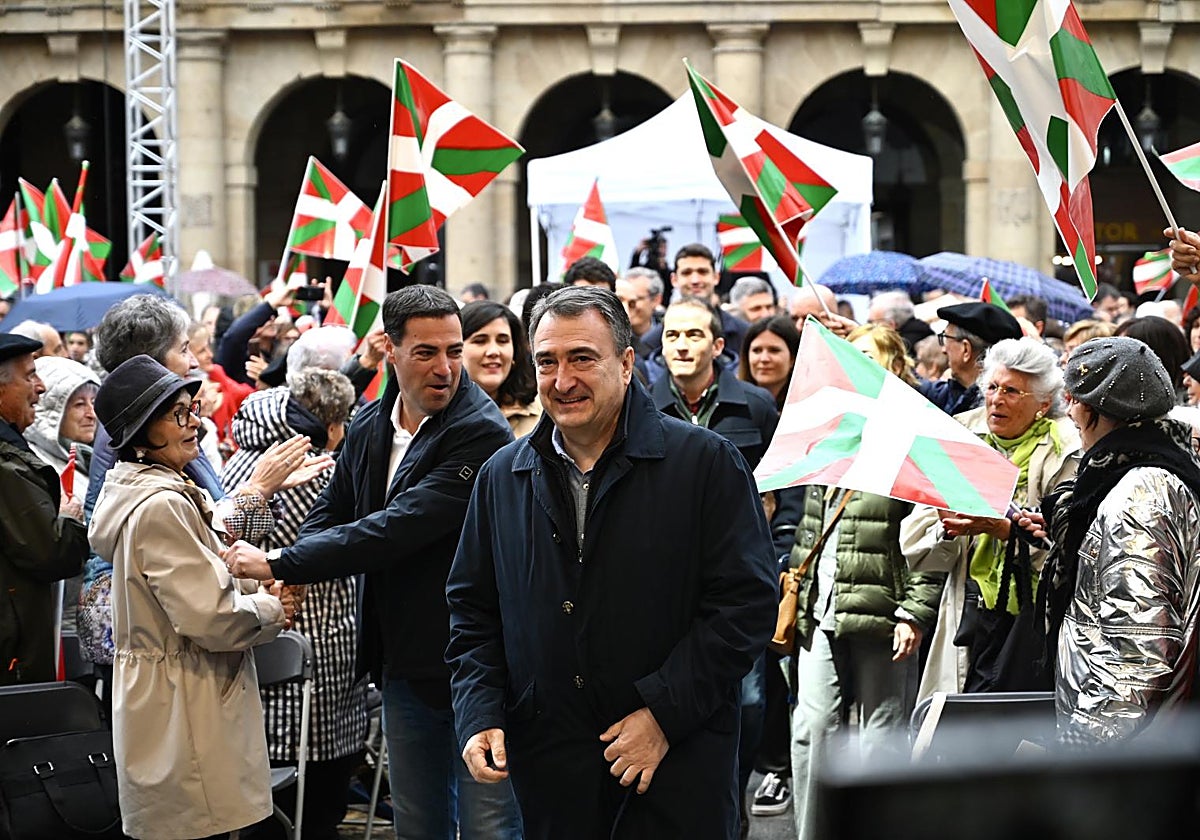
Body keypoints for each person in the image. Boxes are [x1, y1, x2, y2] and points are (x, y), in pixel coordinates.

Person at [446, 285, 777, 839]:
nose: (562, 380)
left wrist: (664, 714)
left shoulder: (704, 463)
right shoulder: (501, 477)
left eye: (582, 358)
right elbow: (472, 612)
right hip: (553, 768)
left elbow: (745, 606)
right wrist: (480, 711)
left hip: (676, 765)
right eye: (547, 361)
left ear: (625, 364)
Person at [224, 285, 522, 840]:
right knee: (419, 821)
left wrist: (279, 560)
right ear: (390, 349)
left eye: (454, 351)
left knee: (490, 828)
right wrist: (294, 573)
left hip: (480, 661)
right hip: (405, 660)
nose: (446, 368)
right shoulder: (369, 423)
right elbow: (332, 509)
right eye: (426, 352)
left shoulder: (480, 432)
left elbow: (394, 529)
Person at [88, 355, 293, 839]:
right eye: (177, 414)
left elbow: (212, 554)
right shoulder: (158, 502)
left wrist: (257, 515)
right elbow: (211, 618)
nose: (195, 423)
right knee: (199, 825)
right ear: (141, 433)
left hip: (179, 696)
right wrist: (272, 608)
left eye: (192, 408)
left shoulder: (161, 487)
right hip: (184, 703)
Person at [651, 296, 801, 834]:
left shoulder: (756, 406)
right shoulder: (642, 404)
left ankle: (730, 800)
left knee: (753, 701)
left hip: (743, 580)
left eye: (693, 335)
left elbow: (791, 485)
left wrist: (780, 548)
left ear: (717, 345)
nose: (682, 345)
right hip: (671, 583)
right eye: (672, 336)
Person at [1029, 335, 1200, 744]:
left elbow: (1140, 649)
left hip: (1128, 752)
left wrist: (1085, 748)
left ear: (1090, 409)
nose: (1067, 410)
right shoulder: (1133, 473)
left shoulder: (1141, 493)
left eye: (1072, 399)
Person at [222, 368, 363, 840]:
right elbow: (339, 542)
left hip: (256, 641)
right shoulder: (308, 464)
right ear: (333, 422)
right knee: (313, 789)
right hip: (314, 637)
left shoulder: (245, 454)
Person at [901, 338, 1080, 700]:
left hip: (1035, 620)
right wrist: (946, 526)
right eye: (993, 387)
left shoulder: (1069, 449)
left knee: (1021, 733)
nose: (996, 399)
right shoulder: (961, 435)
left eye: (1012, 391)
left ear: (1044, 404)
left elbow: (1069, 555)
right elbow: (916, 550)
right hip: (971, 610)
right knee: (962, 727)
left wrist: (1004, 531)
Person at [0, 333, 89, 686]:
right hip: (13, 659)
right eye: (29, 376)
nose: (40, 387)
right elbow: (54, 555)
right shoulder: (8, 468)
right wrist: (70, 518)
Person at [24, 355, 99, 633]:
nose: (91, 413)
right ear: (51, 411)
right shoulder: (44, 468)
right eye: (79, 404)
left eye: (94, 403)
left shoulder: (86, 461)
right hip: (63, 625)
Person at [641, 245, 749, 370]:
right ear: (674, 279)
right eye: (687, 273)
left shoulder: (743, 334)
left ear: (716, 277)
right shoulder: (650, 343)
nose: (695, 280)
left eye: (702, 272)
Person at [919, 302, 1023, 416]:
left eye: (946, 338)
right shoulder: (953, 393)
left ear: (966, 350)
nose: (943, 350)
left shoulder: (992, 413)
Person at [462, 300, 541, 438]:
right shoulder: (436, 415)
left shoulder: (542, 415)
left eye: (502, 341)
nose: (493, 351)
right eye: (480, 341)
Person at [738, 315, 800, 412]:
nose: (764, 359)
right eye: (757, 350)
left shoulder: (808, 406)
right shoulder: (732, 404)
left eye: (774, 350)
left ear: (793, 359)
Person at [867, 290, 932, 351]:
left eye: (872, 322)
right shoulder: (921, 331)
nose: (868, 327)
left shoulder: (897, 348)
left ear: (891, 324)